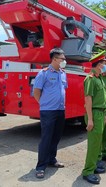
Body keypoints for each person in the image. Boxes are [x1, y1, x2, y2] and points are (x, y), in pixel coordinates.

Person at [33, 48, 68, 179]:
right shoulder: (43, 73)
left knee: (56, 137)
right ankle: (41, 166)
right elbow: (36, 92)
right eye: (62, 59)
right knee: (46, 138)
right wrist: (44, 104)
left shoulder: (63, 73)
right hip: (48, 111)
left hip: (60, 110)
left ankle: (52, 159)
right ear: (54, 59)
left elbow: (63, 90)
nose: (64, 61)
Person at [82, 57, 106, 185]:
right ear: (98, 65)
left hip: (100, 113)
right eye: (103, 63)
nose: (105, 66)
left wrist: (104, 114)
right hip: (94, 113)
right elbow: (88, 99)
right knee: (93, 144)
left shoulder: (99, 78)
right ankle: (88, 171)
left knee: (97, 143)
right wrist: (90, 119)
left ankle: (94, 165)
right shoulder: (90, 79)